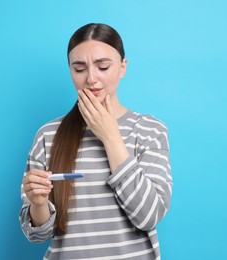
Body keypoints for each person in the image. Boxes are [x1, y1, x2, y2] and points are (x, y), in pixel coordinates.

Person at [19, 23, 172, 259]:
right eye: (79, 69)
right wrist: (38, 204)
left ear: (123, 67)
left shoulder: (149, 130)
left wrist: (110, 136)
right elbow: (37, 235)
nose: (91, 78)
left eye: (102, 66)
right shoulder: (48, 135)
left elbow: (148, 215)